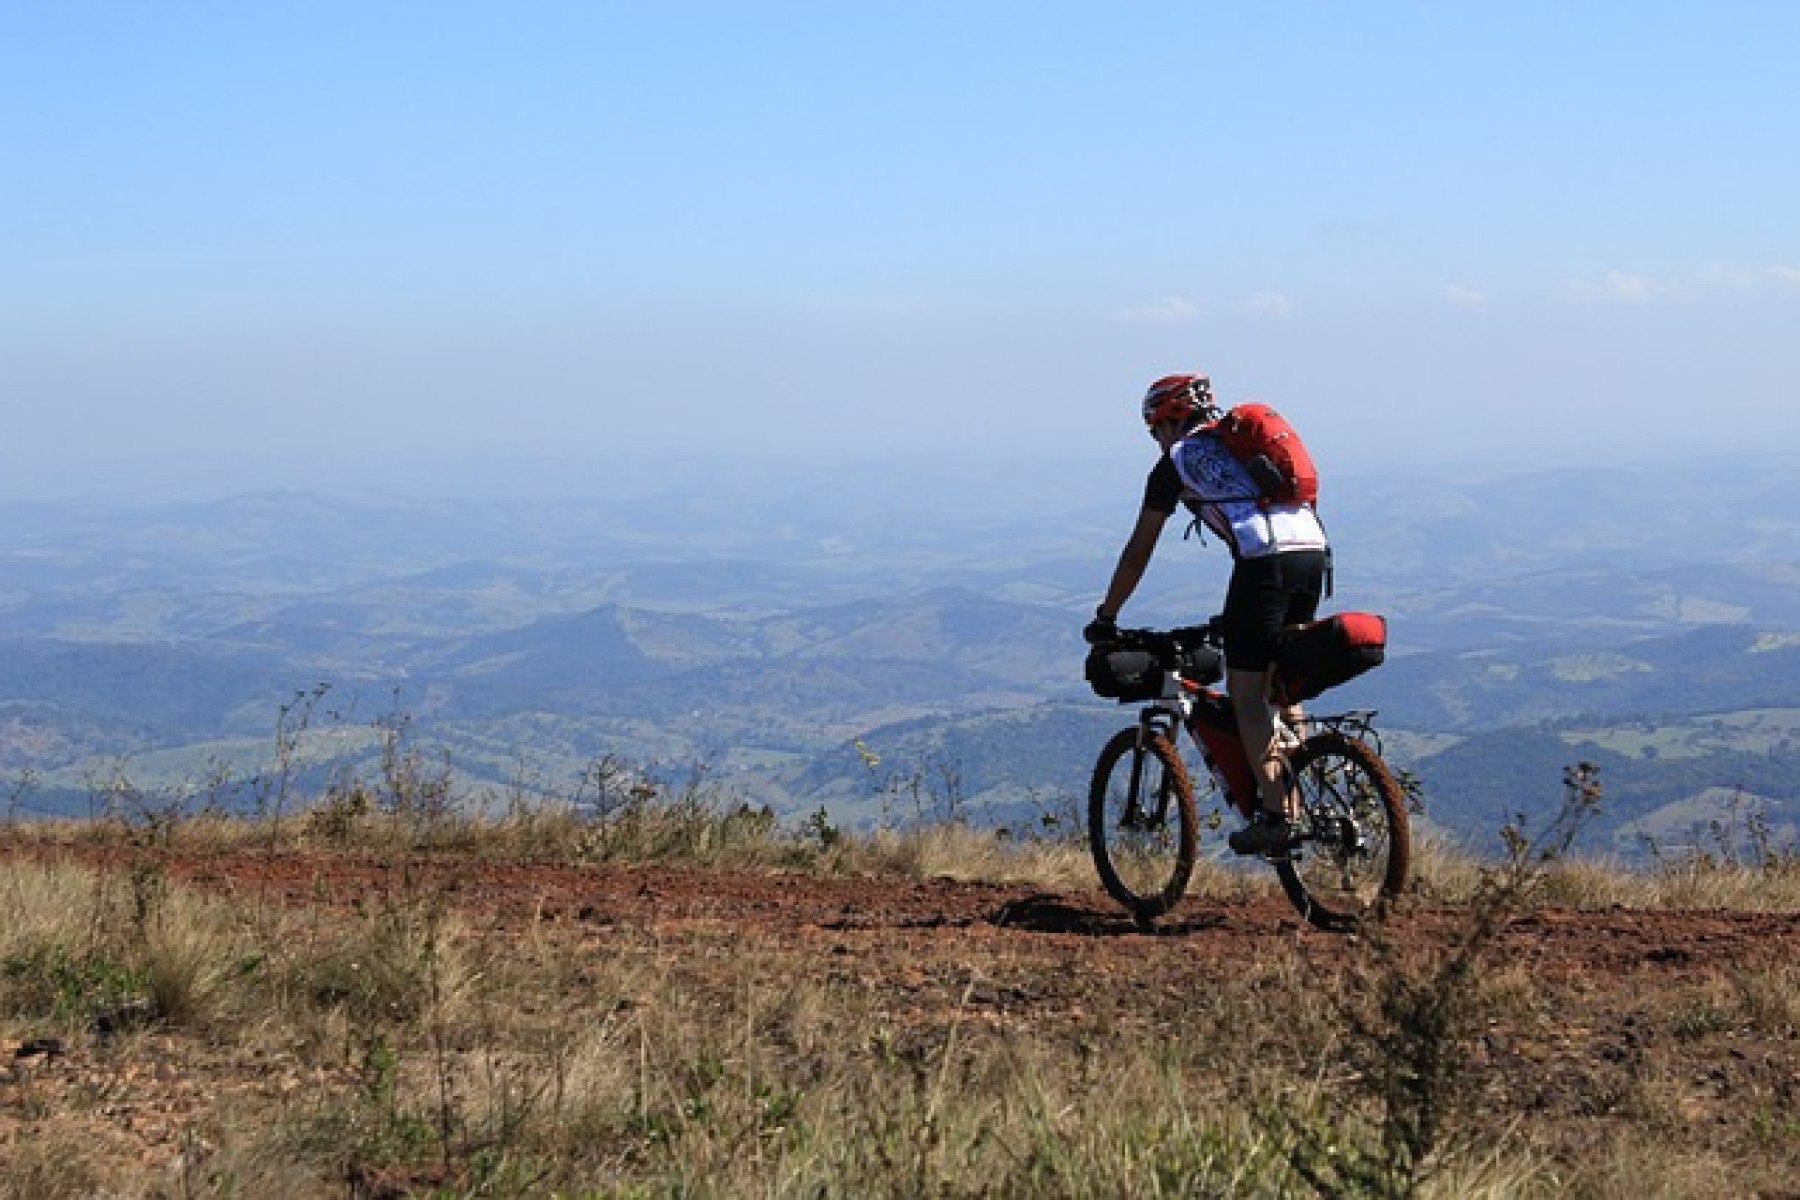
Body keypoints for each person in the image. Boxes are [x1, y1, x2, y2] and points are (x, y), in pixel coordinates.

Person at [1085, 373, 1330, 856]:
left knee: (1247, 696)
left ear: (1170, 420)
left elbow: (1138, 550)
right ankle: (1303, 790)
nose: (1156, 441)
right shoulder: (1238, 445)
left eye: (1155, 431)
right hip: (1315, 554)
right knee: (1283, 683)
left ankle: (1280, 817)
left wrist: (1106, 615)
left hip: (1264, 563)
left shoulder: (1177, 462)